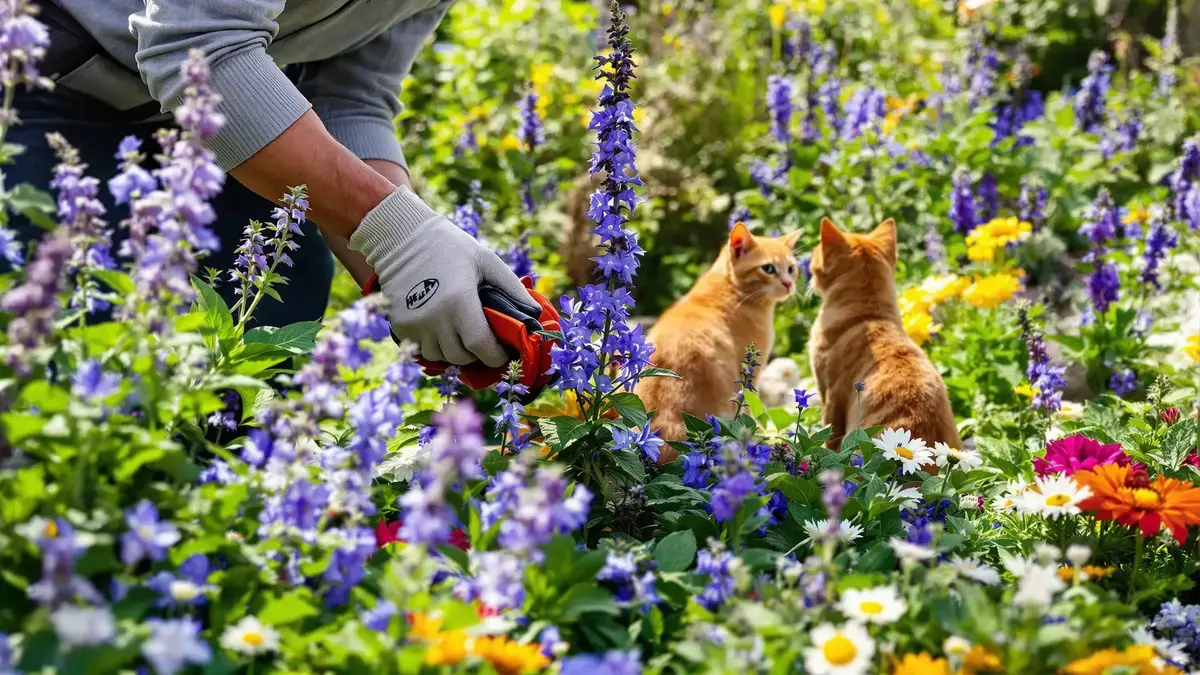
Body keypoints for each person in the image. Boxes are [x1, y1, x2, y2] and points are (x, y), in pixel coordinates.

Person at [5, 0, 533, 369]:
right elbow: (197, 44)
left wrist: (416, 271)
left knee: (274, 314)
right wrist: (401, 234)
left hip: (222, 111)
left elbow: (352, 96)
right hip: (47, 79)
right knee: (75, 334)